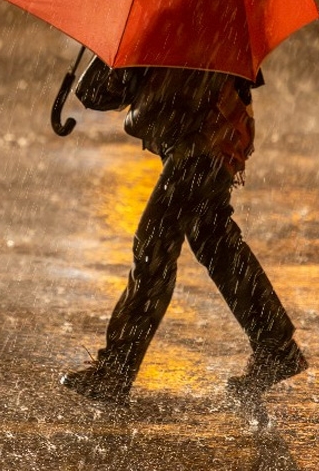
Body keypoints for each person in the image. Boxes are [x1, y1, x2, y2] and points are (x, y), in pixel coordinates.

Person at [60, 56, 306, 408]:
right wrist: (103, 51)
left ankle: (116, 371)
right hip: (208, 143)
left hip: (202, 145)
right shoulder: (167, 27)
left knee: (154, 246)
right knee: (214, 242)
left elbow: (135, 96)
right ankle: (276, 344)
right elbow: (100, 94)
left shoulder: (188, 26)